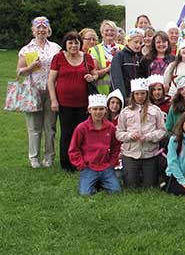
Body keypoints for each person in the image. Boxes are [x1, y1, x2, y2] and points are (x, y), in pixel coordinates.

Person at [48, 31, 98, 171]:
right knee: (67, 133)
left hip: (84, 103)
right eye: (70, 43)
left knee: (83, 133)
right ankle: (66, 163)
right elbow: (51, 81)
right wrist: (53, 100)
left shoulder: (87, 57)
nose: (74, 45)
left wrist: (92, 77)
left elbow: (95, 73)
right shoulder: (58, 58)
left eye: (76, 42)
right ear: (65, 44)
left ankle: (82, 161)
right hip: (65, 103)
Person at [17, 16, 61, 168]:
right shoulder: (26, 49)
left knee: (50, 126)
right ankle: (34, 158)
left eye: (44, 27)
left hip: (52, 90)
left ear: (48, 30)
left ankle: (49, 157)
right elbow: (19, 72)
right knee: (34, 127)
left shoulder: (55, 48)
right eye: (38, 27)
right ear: (33, 30)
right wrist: (30, 67)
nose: (41, 30)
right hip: (33, 90)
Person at [115, 78, 167, 188]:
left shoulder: (155, 110)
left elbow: (162, 131)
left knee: (150, 185)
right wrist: (129, 136)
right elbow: (118, 133)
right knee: (131, 185)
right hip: (131, 153)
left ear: (147, 94)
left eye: (142, 93)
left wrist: (149, 136)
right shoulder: (125, 112)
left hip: (150, 153)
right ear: (133, 95)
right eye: (137, 94)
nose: (140, 96)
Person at [68, 94, 121, 195]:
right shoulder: (81, 128)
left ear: (106, 110)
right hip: (89, 166)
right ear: (89, 110)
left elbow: (116, 147)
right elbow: (74, 149)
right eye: (95, 109)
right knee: (85, 193)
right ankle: (96, 181)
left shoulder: (110, 127)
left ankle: (100, 182)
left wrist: (112, 162)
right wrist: (81, 165)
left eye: (101, 109)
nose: (98, 112)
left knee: (116, 191)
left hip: (105, 166)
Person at [88, 20, 123, 95]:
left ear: (116, 33)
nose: (109, 32)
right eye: (106, 30)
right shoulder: (94, 50)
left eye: (112, 30)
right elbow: (94, 73)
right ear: (102, 33)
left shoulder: (122, 49)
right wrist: (108, 69)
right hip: (101, 92)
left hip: (119, 90)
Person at [110, 28, 145, 98]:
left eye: (140, 43)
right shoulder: (120, 56)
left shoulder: (140, 57)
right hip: (124, 95)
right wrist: (122, 96)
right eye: (136, 42)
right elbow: (116, 78)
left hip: (137, 97)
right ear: (128, 41)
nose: (138, 45)